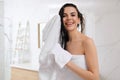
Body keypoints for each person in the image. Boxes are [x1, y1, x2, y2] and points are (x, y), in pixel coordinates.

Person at [39, 3, 99, 80]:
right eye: (64, 16)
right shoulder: (62, 43)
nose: (68, 18)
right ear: (61, 21)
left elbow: (95, 77)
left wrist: (66, 62)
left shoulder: (87, 42)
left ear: (78, 20)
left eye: (73, 15)